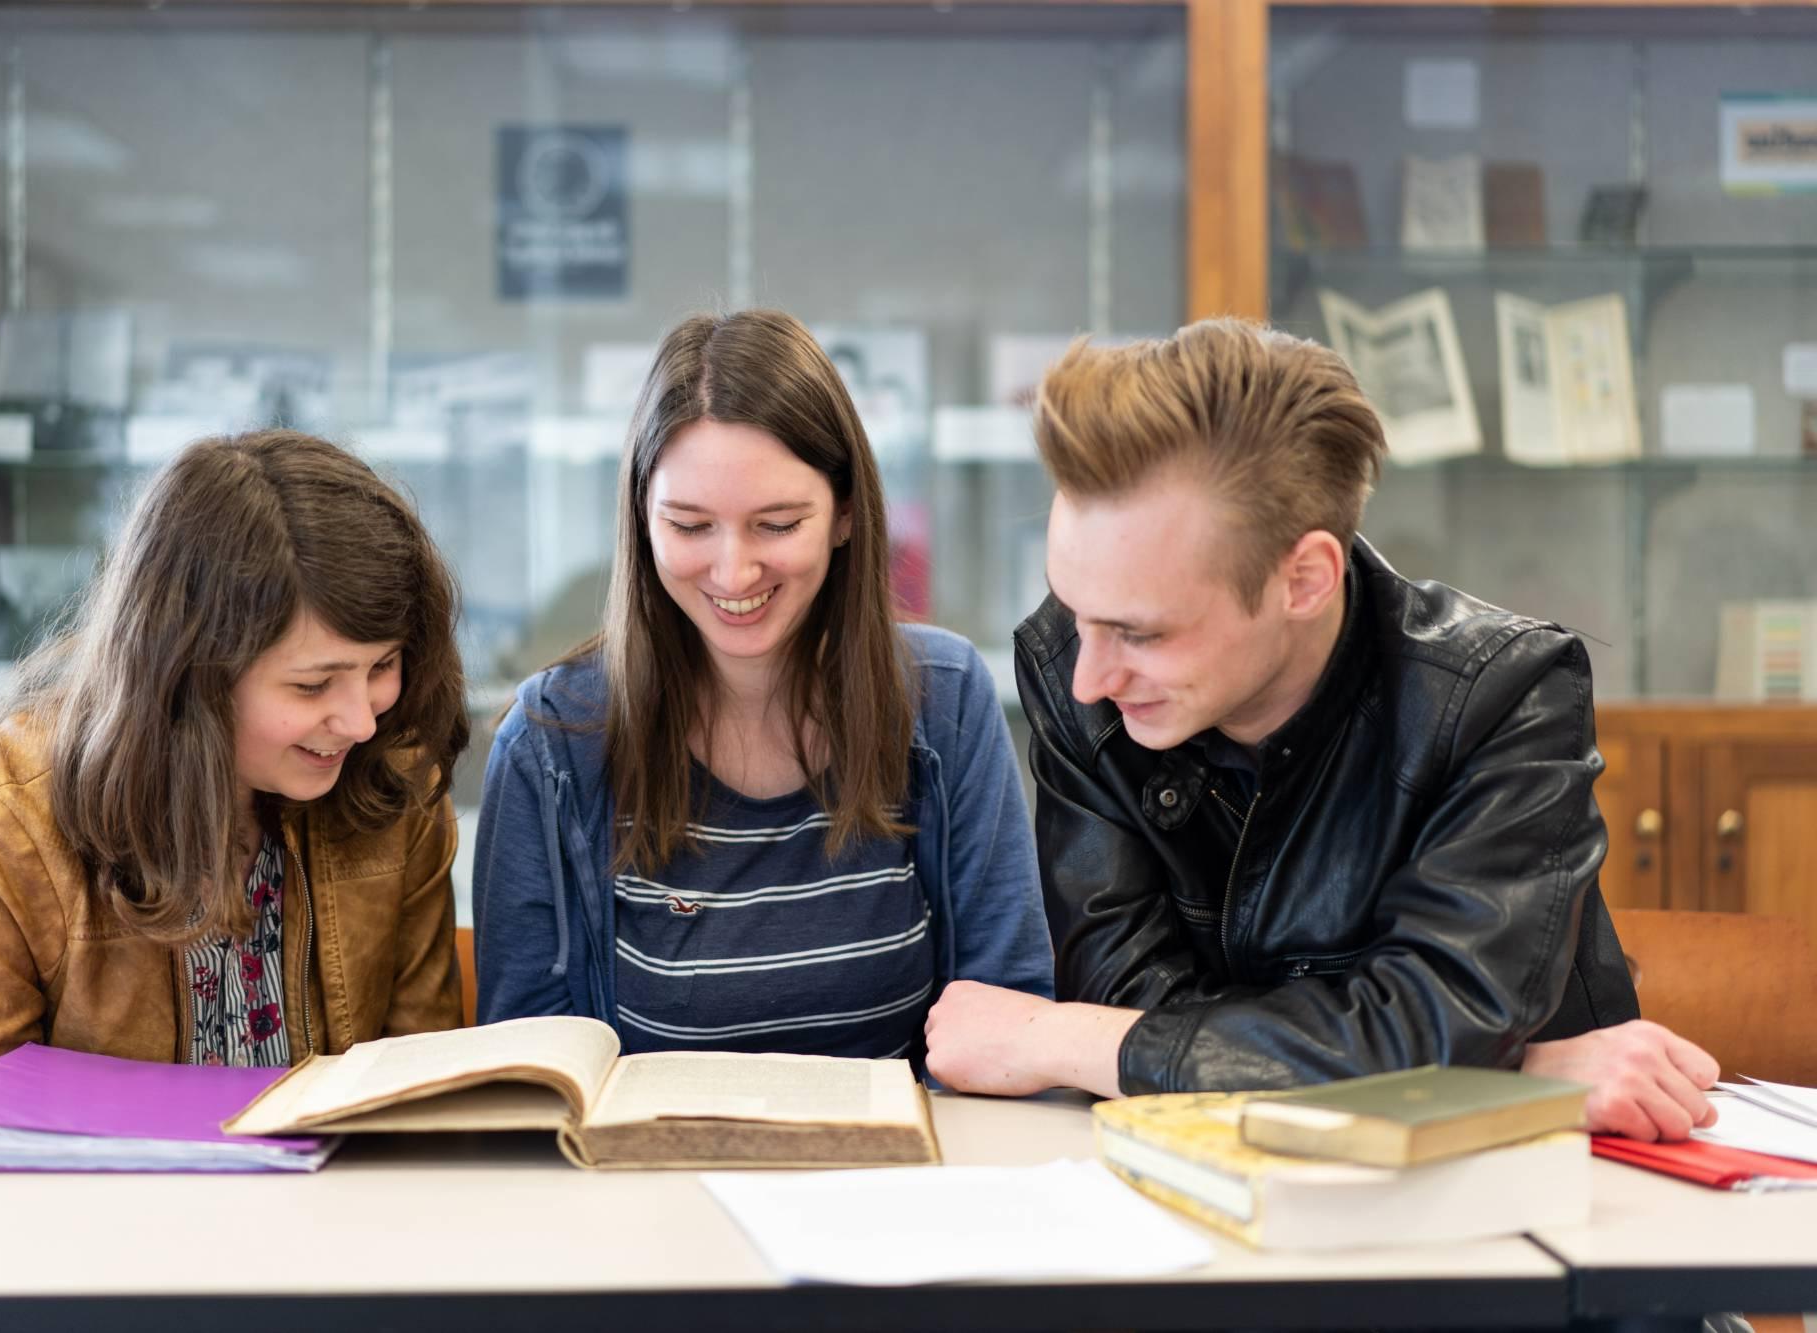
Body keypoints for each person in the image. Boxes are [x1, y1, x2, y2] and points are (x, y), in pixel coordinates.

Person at [923, 319, 1721, 1141]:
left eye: (1143, 633)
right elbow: (1134, 1003)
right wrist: (1503, 1067)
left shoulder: (1504, 694)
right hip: (1195, 1176)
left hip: (1505, 1182)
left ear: (1303, 578)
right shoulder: (1075, 675)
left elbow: (1431, 1026)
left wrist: (1057, 1038)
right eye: (1076, 610)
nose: (1090, 676)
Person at [473, 309, 1052, 1059]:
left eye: (777, 525)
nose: (733, 572)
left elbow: (1011, 1023)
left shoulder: (943, 702)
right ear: (641, 519)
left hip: (897, 1170)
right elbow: (533, 1071)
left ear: (846, 513)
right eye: (689, 526)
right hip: (644, 1174)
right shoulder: (552, 742)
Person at [0, 430, 471, 1095]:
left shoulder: (391, 780)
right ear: (192, 674)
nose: (362, 720)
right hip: (88, 1202)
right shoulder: (1, 820)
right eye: (313, 685)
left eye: (382, 667)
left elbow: (425, 1107)